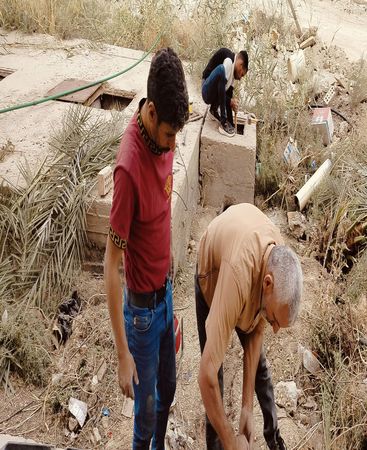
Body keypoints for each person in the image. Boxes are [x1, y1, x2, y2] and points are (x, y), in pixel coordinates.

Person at [104, 47, 189, 450]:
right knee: (146, 413)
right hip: (141, 314)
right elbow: (110, 264)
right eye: (170, 134)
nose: (173, 144)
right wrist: (123, 355)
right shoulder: (128, 169)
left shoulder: (164, 138)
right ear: (151, 112)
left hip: (166, 293)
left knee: (168, 390)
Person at [195, 203, 303, 450]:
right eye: (274, 320)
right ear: (267, 284)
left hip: (244, 271)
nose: (274, 328)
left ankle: (273, 440)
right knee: (216, 383)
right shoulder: (237, 276)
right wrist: (231, 441)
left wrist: (246, 408)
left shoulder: (277, 257)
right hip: (213, 275)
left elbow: (255, 333)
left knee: (260, 369)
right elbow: (205, 376)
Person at [201, 48, 249, 137]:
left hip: (213, 93)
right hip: (206, 91)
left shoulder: (233, 75)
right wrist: (224, 122)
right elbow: (222, 91)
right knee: (221, 70)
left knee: (226, 89)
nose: (240, 78)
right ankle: (223, 124)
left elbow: (228, 97)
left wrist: (231, 123)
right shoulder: (228, 61)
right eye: (242, 74)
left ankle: (213, 110)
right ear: (240, 65)